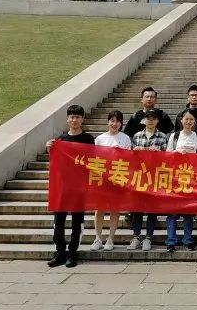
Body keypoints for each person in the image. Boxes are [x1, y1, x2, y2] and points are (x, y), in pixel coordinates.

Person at [46, 104, 95, 268]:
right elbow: (56, 162)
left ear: (82, 119)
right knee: (58, 221)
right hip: (63, 187)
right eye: (72, 117)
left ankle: (72, 253)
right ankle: (60, 252)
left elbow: (93, 160)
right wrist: (50, 148)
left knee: (77, 221)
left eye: (77, 117)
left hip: (79, 187)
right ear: (67, 119)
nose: (74, 120)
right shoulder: (60, 140)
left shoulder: (88, 139)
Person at [127, 110, 168, 252]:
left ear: (157, 121)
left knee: (152, 209)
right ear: (144, 120)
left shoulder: (162, 136)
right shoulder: (137, 136)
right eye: (148, 118)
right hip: (139, 177)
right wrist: (135, 151)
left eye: (153, 118)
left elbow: (167, 158)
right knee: (137, 208)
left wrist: (159, 153)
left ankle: (148, 237)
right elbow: (129, 157)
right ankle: (136, 237)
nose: (150, 121)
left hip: (155, 176)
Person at [92, 110, 132, 252]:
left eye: (118, 121)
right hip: (102, 178)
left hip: (118, 177)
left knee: (115, 208)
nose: (114, 124)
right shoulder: (100, 139)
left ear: (121, 123)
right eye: (112, 121)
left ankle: (110, 238)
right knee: (99, 208)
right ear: (108, 122)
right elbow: (94, 157)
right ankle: (97, 238)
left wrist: (120, 151)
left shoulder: (125, 138)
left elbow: (130, 158)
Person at [165, 110, 197, 252]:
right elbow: (167, 155)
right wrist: (177, 153)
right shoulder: (174, 136)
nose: (188, 121)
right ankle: (171, 241)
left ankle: (188, 239)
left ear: (194, 122)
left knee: (188, 211)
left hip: (190, 177)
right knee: (172, 212)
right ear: (181, 120)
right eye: (186, 119)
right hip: (175, 177)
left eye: (191, 119)